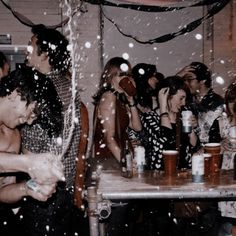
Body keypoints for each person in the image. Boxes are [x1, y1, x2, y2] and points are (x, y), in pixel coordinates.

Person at [17, 24, 83, 236]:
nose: (26, 51)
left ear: (45, 53)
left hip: (43, 187)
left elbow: (30, 149)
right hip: (64, 186)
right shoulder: (68, 85)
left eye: (31, 46)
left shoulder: (39, 89)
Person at [0, 66, 64, 235]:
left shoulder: (12, 135)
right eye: (31, 112)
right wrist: (28, 163)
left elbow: (2, 191)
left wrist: (28, 188)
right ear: (15, 93)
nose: (28, 122)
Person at [91, 57, 142, 235]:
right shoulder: (109, 97)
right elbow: (110, 138)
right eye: (120, 74)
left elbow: (137, 126)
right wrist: (126, 162)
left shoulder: (119, 98)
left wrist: (131, 99)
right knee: (116, 221)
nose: (125, 78)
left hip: (116, 162)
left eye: (127, 74)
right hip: (109, 163)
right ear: (110, 76)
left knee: (120, 218)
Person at [209, 82, 236, 235]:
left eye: (234, 100)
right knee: (226, 220)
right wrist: (220, 146)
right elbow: (206, 148)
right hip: (224, 175)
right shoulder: (221, 122)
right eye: (230, 100)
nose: (232, 105)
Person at [177, 61, 224, 145]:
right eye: (184, 79)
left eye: (189, 79)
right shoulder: (188, 100)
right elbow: (165, 93)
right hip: (190, 150)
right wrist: (178, 77)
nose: (186, 83)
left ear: (202, 80)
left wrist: (196, 126)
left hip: (210, 150)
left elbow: (209, 135)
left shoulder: (216, 102)